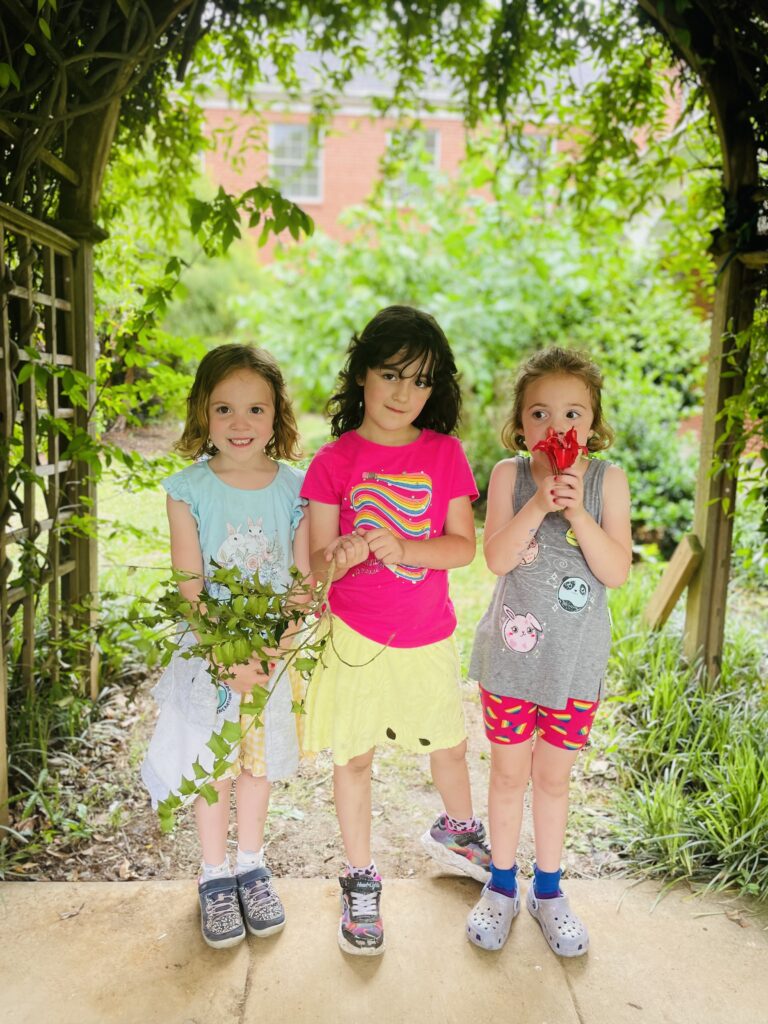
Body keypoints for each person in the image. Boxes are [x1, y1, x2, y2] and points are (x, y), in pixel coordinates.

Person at [301, 305, 491, 956]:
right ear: (361, 375)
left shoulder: (445, 454)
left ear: (435, 390)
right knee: (354, 759)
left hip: (427, 632)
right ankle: (359, 877)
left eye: (420, 381)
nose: (403, 393)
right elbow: (317, 561)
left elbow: (463, 547)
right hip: (356, 636)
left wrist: (405, 546)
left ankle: (459, 830)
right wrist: (343, 554)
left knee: (452, 746)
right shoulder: (334, 460)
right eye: (390, 374)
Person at [140, 344, 310, 949]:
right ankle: (214, 875)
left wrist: (274, 651)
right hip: (210, 653)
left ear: (276, 416)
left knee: (257, 765)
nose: (241, 424)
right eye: (225, 408)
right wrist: (224, 657)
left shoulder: (297, 489)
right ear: (203, 414)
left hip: (273, 653)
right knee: (212, 765)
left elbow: (304, 580)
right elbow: (190, 586)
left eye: (256, 409)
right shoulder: (188, 490)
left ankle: (251, 864)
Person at [466, 346, 631, 957]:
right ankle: (503, 886)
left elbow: (616, 571)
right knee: (509, 774)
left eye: (572, 413)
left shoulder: (606, 482)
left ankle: (551, 891)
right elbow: (496, 560)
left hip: (574, 663)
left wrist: (575, 513)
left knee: (553, 781)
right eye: (539, 414)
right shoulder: (509, 477)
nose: (555, 428)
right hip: (512, 658)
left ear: (592, 424)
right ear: (519, 422)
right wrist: (539, 503)